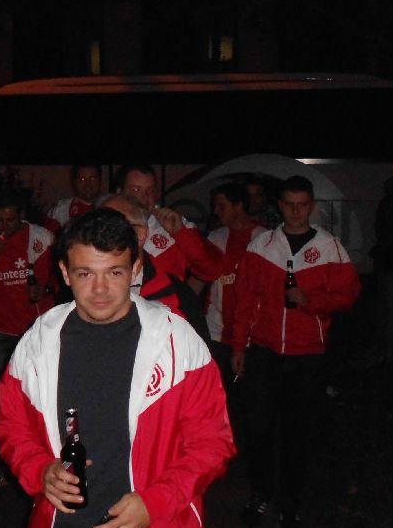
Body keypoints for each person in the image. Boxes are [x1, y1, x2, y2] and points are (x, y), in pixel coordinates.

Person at [0, 208, 235, 528]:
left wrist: (158, 501)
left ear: (138, 269)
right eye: (85, 273)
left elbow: (213, 442)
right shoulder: (38, 342)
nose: (100, 289)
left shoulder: (177, 342)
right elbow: (9, 426)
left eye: (114, 272)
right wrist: (38, 470)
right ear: (63, 273)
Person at [231, 175, 361, 528]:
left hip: (308, 356)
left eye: (302, 204)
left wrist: (311, 302)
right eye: (289, 204)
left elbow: (349, 296)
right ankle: (260, 495)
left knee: (297, 431)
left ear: (313, 205)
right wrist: (239, 345)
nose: (296, 211)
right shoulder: (262, 246)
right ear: (279, 205)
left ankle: (290, 503)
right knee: (258, 428)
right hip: (265, 352)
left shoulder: (331, 248)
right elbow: (244, 300)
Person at [0, 193, 56, 489]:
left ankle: (45, 463)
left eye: (11, 220)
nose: (5, 226)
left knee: (42, 396)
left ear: (21, 214)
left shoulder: (42, 238)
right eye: (0, 220)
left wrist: (43, 292)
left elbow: (58, 279)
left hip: (36, 330)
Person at [96, 191, 210, 342]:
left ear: (141, 234)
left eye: (117, 226)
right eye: (100, 227)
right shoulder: (83, 289)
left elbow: (201, 360)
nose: (105, 236)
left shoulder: (176, 295)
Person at [115, 163, 224, 285]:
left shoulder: (174, 224)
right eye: (136, 190)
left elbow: (213, 270)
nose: (144, 197)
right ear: (120, 192)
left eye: (150, 190)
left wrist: (181, 234)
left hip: (162, 303)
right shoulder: (105, 224)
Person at [203, 182, 266, 394]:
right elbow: (199, 279)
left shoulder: (264, 239)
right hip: (216, 331)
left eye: (221, 205)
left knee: (249, 397)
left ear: (239, 206)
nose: (215, 211)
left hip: (253, 336)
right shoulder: (215, 238)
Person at [43, 163, 102, 232]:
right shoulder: (60, 211)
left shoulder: (111, 205)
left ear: (100, 180)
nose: (88, 184)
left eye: (92, 178)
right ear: (75, 182)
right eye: (82, 179)